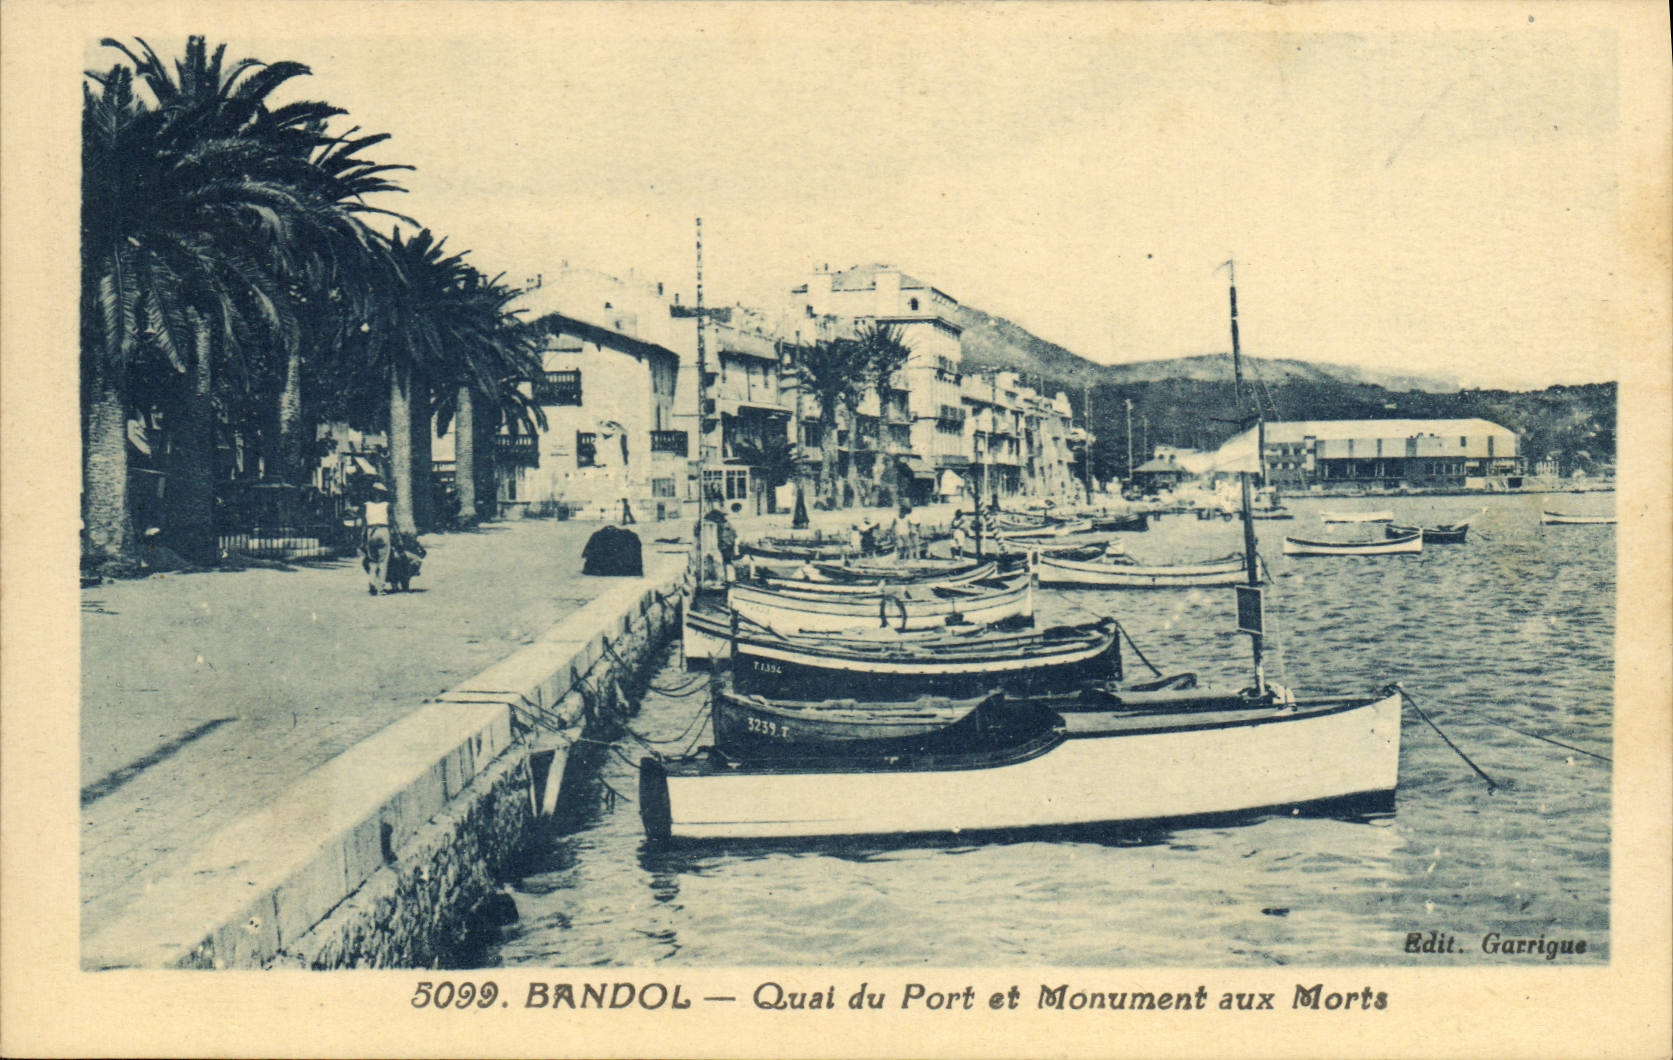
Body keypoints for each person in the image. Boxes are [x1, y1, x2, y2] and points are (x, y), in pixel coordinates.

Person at [359, 482, 393, 595]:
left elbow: (363, 523)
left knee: (372, 560)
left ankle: (372, 582)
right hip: (383, 530)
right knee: (383, 561)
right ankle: (380, 588)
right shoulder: (387, 505)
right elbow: (392, 523)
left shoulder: (366, 505)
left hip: (370, 532)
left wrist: (362, 539)